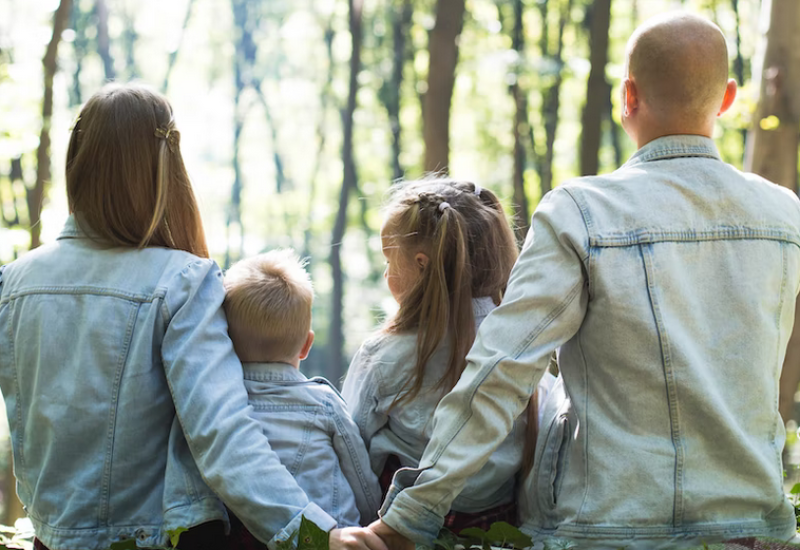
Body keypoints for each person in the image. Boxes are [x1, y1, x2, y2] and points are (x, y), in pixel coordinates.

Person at [369, 13, 800, 550]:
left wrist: (411, 514)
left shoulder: (581, 212)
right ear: (729, 98)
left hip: (604, 530)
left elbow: (502, 371)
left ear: (628, 96)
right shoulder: (785, 217)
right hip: (755, 531)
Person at [0, 83, 386, 550]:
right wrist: (318, 535)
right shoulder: (181, 281)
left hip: (49, 540)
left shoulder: (13, 282)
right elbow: (223, 436)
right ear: (165, 167)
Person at [342, 179, 556, 533]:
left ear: (422, 265)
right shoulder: (524, 350)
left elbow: (351, 449)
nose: (385, 273)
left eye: (389, 260)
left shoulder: (384, 355)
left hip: (399, 532)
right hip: (498, 531)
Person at [220, 249, 381, 547]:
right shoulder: (323, 403)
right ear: (306, 345)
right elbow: (360, 477)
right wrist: (371, 522)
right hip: (333, 536)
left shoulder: (219, 407)